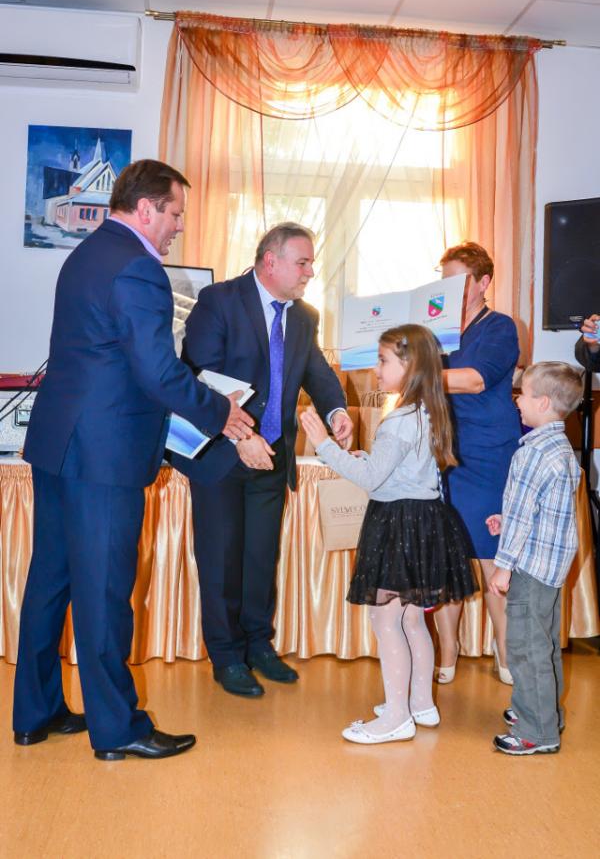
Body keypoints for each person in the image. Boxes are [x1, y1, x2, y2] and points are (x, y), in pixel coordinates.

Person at [14, 159, 254, 761]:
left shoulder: (85, 254)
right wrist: (219, 411)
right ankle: (118, 729)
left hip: (60, 442)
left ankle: (35, 712)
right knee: (103, 590)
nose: (178, 227)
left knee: (50, 581)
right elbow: (157, 371)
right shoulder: (139, 267)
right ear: (146, 209)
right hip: (104, 453)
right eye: (175, 213)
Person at [171, 222, 352, 697]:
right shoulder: (219, 301)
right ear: (271, 261)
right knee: (221, 559)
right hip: (221, 456)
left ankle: (258, 645)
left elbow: (316, 370)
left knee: (259, 558)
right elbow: (199, 377)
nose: (310, 272)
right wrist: (241, 437)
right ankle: (226, 655)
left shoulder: (305, 316)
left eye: (311, 263)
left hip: (272, 457)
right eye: (303, 262)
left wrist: (336, 411)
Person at [301, 325, 477, 744]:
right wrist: (369, 458)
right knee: (412, 618)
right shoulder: (426, 410)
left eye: (383, 361)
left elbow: (372, 480)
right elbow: (398, 469)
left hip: (399, 524)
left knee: (386, 619)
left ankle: (397, 716)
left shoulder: (399, 420)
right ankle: (420, 703)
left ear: (410, 366)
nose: (376, 370)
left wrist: (324, 445)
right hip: (423, 520)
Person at [434, 242, 521, 685]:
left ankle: (506, 654)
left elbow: (476, 380)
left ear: (484, 282)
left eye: (458, 281)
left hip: (489, 455)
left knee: (491, 560)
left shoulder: (500, 327)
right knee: (445, 561)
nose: (448, 289)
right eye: (444, 281)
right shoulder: (436, 328)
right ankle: (448, 651)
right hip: (443, 453)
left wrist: (419, 375)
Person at [487, 361, 583, 755]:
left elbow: (525, 515)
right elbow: (539, 509)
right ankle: (546, 713)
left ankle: (536, 731)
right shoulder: (562, 450)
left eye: (522, 395)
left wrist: (502, 566)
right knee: (543, 644)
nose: (517, 401)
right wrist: (506, 520)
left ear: (542, 403)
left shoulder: (532, 455)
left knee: (526, 649)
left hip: (529, 567)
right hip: (552, 567)